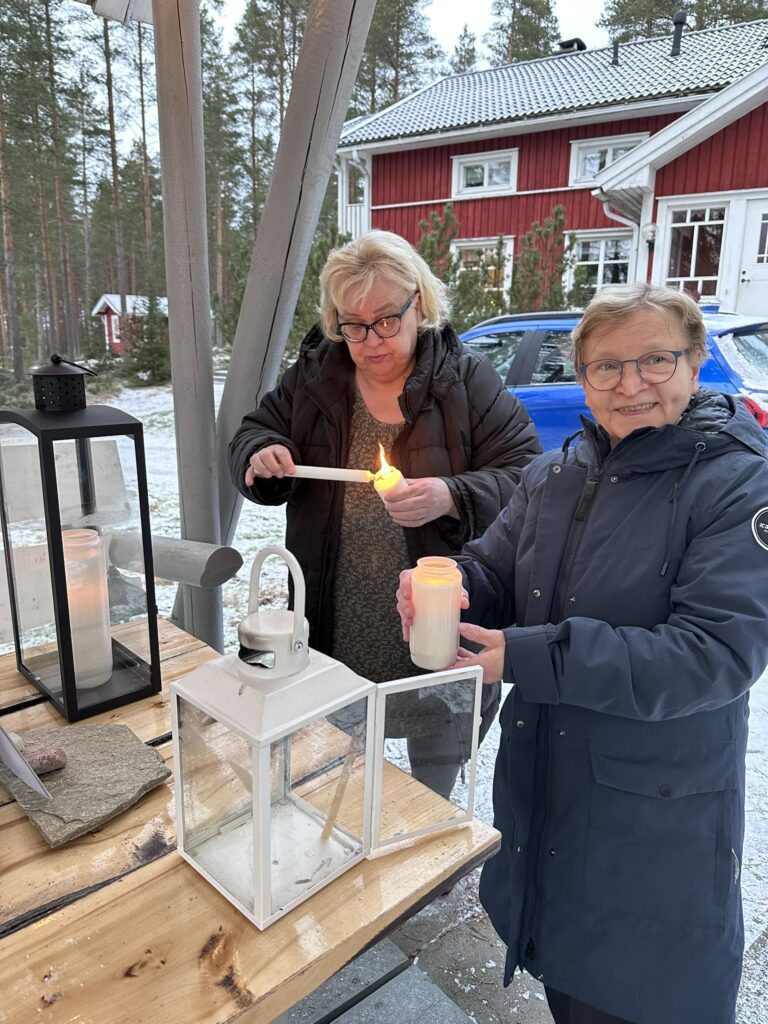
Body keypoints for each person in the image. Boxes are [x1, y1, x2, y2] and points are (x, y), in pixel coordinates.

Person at [396, 283, 768, 1024]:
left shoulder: (736, 481)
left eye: (655, 360)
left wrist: (529, 659)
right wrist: (453, 584)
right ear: (583, 378)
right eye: (606, 367)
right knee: (572, 982)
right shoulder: (556, 473)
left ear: (694, 365)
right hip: (553, 796)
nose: (631, 384)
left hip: (656, 818)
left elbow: (715, 654)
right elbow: (499, 568)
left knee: (644, 995)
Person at [228, 229, 540, 798]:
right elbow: (254, 430)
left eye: (387, 321)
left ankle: (429, 828)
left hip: (436, 606)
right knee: (339, 745)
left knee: (436, 742)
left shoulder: (465, 382)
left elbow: (526, 474)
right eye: (353, 324)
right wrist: (259, 452)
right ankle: (344, 828)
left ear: (418, 303)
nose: (370, 341)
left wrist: (452, 494)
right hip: (335, 606)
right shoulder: (316, 380)